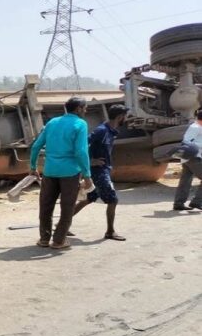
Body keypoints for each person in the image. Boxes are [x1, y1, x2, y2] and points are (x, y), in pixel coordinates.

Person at [30, 97, 94, 250]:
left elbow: (36, 145)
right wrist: (87, 175)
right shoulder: (80, 124)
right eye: (84, 108)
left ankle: (44, 239)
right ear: (78, 108)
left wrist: (33, 166)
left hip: (50, 171)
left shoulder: (52, 122)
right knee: (67, 207)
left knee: (46, 205)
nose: (86, 111)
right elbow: (80, 152)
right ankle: (59, 240)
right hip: (70, 172)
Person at [73, 104, 129, 240]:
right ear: (120, 117)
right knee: (113, 200)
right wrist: (90, 161)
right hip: (99, 171)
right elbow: (82, 145)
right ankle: (110, 231)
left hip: (103, 170)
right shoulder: (102, 130)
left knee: (89, 198)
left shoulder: (111, 131)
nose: (126, 119)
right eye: (125, 117)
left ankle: (62, 224)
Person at [172, 109, 202, 211]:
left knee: (185, 180)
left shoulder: (198, 127)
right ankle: (197, 202)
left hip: (189, 158)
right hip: (193, 157)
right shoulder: (195, 127)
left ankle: (179, 203)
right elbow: (186, 142)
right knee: (185, 180)